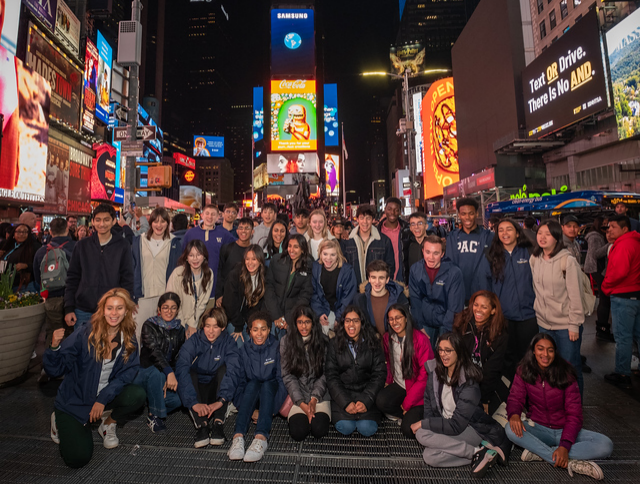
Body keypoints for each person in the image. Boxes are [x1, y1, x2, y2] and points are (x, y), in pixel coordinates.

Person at [44, 288, 146, 469]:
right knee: (77, 459)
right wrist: (54, 347)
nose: (114, 313)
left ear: (126, 311)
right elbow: (56, 370)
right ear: (102, 310)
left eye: (119, 308)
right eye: (110, 308)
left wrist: (102, 400)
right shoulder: (85, 333)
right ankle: (58, 421)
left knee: (137, 395)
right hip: (75, 401)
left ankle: (107, 423)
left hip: (102, 397)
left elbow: (127, 374)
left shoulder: (129, 339)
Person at [506, 334, 613, 480]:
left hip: (565, 430)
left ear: (555, 352)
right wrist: (514, 415)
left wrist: (564, 446)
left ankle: (541, 453)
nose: (545, 354)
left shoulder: (566, 372)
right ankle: (570, 462)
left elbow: (575, 415)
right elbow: (515, 398)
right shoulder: (524, 370)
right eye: (540, 349)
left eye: (550, 350)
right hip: (539, 428)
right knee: (509, 429)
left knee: (605, 445)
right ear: (533, 351)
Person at [410, 332, 510, 477]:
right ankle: (478, 453)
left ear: (459, 352)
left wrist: (425, 424)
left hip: (470, 428)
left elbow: (457, 425)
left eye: (448, 350)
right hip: (447, 424)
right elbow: (428, 403)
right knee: (430, 457)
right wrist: (429, 422)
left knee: (421, 433)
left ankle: (476, 451)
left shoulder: (469, 383)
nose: (443, 354)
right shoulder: (435, 373)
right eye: (440, 350)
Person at [529, 220, 585, 396]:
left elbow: (576, 295)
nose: (542, 237)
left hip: (566, 326)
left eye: (548, 234)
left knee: (570, 367)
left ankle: (575, 406)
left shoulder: (567, 261)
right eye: (540, 233)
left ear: (556, 237)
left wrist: (574, 324)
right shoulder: (534, 259)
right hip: (544, 324)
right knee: (548, 367)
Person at [477, 218, 536, 378]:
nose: (505, 233)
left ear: (517, 233)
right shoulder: (491, 255)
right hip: (504, 317)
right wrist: (490, 313)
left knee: (528, 356)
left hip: (529, 315)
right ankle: (510, 390)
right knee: (507, 358)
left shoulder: (530, 251)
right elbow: (485, 287)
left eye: (509, 229)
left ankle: (528, 388)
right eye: (500, 230)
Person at [227, 311, 287, 462]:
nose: (259, 334)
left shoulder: (277, 347)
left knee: (267, 384)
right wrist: (248, 410)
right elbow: (240, 382)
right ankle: (238, 437)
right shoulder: (244, 350)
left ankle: (261, 438)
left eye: (263, 329)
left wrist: (271, 411)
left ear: (269, 330)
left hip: (270, 396)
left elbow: (282, 381)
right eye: (255, 329)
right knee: (252, 384)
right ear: (249, 331)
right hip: (251, 398)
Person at [176, 307, 240, 448]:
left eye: (215, 327)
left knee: (225, 369)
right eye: (207, 326)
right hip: (198, 392)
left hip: (218, 392)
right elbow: (181, 369)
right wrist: (193, 403)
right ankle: (202, 425)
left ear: (222, 327)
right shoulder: (194, 341)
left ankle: (218, 422)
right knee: (189, 372)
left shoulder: (228, 342)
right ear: (203, 326)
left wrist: (221, 400)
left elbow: (234, 371)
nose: (211, 331)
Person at [64, 204, 134, 331]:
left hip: (112, 311)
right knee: (83, 343)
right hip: (83, 309)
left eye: (106, 220)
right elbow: (72, 277)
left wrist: (126, 305)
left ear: (114, 221)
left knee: (109, 343)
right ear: (93, 222)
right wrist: (69, 307)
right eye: (98, 220)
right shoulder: (81, 246)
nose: (102, 224)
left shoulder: (122, 246)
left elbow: (127, 278)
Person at [325, 306, 387, 437]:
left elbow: (379, 374)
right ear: (343, 323)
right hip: (342, 394)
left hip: (367, 393)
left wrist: (366, 400)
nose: (351, 325)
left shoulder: (373, 343)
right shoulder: (334, 343)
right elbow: (331, 376)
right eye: (347, 321)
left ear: (362, 323)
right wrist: (345, 402)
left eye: (356, 321)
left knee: (367, 429)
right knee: (346, 427)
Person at [376, 304, 433, 438]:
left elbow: (425, 375)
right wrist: (388, 380)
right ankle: (406, 415)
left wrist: (407, 403)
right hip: (401, 385)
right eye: (391, 319)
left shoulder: (420, 340)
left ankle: (415, 415)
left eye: (398, 318)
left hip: (420, 392)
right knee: (380, 401)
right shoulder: (388, 338)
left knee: (408, 430)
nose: (394, 322)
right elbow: (389, 361)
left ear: (406, 318)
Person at [133, 292, 185, 433]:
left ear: (177, 310)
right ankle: (154, 415)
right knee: (158, 374)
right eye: (165, 307)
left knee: (178, 400)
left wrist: (172, 375)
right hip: (144, 372)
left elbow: (178, 358)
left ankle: (153, 402)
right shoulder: (149, 325)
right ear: (159, 309)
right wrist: (169, 373)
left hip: (165, 374)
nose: (169, 311)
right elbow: (154, 352)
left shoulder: (180, 330)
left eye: (173, 308)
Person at [33, 218, 76, 382]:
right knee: (72, 332)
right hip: (72, 297)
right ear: (67, 229)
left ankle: (49, 367)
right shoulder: (75, 247)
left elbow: (37, 278)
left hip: (51, 298)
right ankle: (70, 367)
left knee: (52, 331)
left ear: (50, 231)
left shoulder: (41, 251)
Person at [280, 306, 331, 441]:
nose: (304, 326)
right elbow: (288, 376)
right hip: (297, 396)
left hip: (320, 396)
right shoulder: (286, 341)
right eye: (300, 322)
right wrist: (302, 403)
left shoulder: (323, 341)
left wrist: (314, 399)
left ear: (313, 323)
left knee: (319, 429)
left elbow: (325, 373)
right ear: (295, 323)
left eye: (307, 322)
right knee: (298, 432)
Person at [453, 291, 509, 415]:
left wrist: (484, 399)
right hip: (462, 379)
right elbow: (455, 357)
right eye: (476, 305)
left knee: (481, 414)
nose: (478, 310)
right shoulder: (462, 324)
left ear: (493, 311)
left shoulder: (500, 335)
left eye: (484, 307)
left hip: (486, 384)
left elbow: (492, 370)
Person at [601, 214, 640, 389]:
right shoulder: (635, 242)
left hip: (623, 296)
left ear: (624, 229)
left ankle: (623, 373)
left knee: (623, 337)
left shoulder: (624, 244)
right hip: (636, 294)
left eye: (613, 227)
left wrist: (605, 286)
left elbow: (619, 272)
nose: (609, 229)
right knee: (637, 335)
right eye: (608, 226)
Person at [132, 208, 182, 337]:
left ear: (168, 223)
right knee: (138, 334)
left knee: (162, 337)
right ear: (151, 223)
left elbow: (178, 272)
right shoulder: (139, 241)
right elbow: (132, 268)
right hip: (142, 297)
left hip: (164, 297)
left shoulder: (174, 242)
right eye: (156, 221)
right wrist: (132, 296)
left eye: (163, 221)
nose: (159, 225)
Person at [410, 235, 464, 348]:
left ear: (442, 254)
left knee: (444, 353)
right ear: (422, 251)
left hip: (446, 322)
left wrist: (446, 332)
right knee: (426, 354)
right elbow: (415, 300)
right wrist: (419, 326)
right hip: (425, 320)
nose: (431, 257)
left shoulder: (454, 273)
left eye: (436, 253)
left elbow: (454, 306)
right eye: (428, 252)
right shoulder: (415, 270)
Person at [181, 204, 236, 300]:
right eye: (207, 213)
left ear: (218, 217)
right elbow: (183, 256)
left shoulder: (223, 233)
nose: (210, 217)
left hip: (214, 285)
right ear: (202, 215)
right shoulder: (190, 233)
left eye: (213, 214)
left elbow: (238, 245)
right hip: (192, 284)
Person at [445, 198, 494, 303]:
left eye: (471, 213)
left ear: (476, 214)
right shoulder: (452, 238)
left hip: (482, 293)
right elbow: (448, 265)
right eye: (463, 214)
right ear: (459, 215)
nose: (467, 217)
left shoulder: (488, 237)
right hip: (459, 293)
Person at [264, 234, 314, 337]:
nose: (291, 250)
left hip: (292, 317)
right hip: (272, 313)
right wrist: (276, 316)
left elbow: (304, 296)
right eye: (290, 246)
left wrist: (288, 318)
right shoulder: (277, 260)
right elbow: (269, 287)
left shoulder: (308, 266)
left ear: (303, 249)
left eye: (296, 247)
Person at [166, 240, 214, 338]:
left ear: (204, 256)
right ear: (186, 258)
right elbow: (172, 301)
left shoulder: (209, 273)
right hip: (176, 320)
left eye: (198, 255)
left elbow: (203, 302)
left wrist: (192, 324)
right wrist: (183, 326)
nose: (195, 259)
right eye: (191, 255)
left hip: (195, 321)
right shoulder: (178, 273)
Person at [222, 244, 267, 346]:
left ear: (260, 261)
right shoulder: (235, 274)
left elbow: (258, 306)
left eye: (254, 259)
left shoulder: (264, 276)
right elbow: (229, 304)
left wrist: (251, 325)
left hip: (250, 320)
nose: (250, 263)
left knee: (255, 344)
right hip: (233, 320)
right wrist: (238, 326)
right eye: (247, 259)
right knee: (240, 346)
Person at [310, 239, 357, 335]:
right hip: (323, 308)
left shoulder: (347, 271)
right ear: (320, 254)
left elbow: (348, 297)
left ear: (338, 255)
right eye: (325, 254)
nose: (328, 258)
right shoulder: (315, 268)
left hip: (341, 310)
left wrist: (339, 317)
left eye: (332, 254)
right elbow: (313, 293)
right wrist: (319, 313)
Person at [342, 205, 395, 286]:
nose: (365, 222)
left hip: (376, 288)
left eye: (368, 218)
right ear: (357, 219)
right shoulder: (347, 241)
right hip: (353, 288)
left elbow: (390, 267)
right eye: (362, 218)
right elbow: (343, 267)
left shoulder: (384, 241)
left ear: (373, 220)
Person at [354, 260, 409, 337]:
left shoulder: (400, 298)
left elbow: (407, 324)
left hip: (394, 341)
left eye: (381, 278)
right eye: (373, 277)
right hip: (370, 342)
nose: (377, 282)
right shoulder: (360, 300)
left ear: (387, 279)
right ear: (369, 279)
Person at [583, 217, 612, 341]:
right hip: (596, 269)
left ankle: (602, 328)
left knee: (605, 298)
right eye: (604, 224)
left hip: (598, 268)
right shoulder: (595, 236)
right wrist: (610, 245)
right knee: (604, 298)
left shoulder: (599, 235)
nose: (606, 226)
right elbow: (596, 253)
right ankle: (602, 329)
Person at [215, 217, 254, 301]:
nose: (243, 231)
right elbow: (220, 273)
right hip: (228, 296)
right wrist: (219, 295)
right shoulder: (227, 248)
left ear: (252, 232)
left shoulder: (255, 251)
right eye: (241, 228)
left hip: (249, 298)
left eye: (247, 228)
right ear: (237, 231)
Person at [1, 223, 41, 291]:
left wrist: (26, 266)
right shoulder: (9, 246)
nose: (22, 234)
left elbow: (40, 265)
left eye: (25, 232)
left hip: (24, 286)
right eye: (19, 231)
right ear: (13, 234)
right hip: (6, 284)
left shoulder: (34, 247)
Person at [379, 197, 410, 281]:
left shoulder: (407, 230)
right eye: (389, 209)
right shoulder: (376, 231)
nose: (392, 212)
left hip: (403, 279)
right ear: (385, 210)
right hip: (382, 280)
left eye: (396, 210)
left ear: (400, 211)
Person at [403, 212, 432, 284]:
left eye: (420, 223)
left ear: (426, 226)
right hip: (413, 286)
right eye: (413, 224)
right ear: (410, 228)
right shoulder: (407, 245)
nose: (416, 227)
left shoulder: (434, 244)